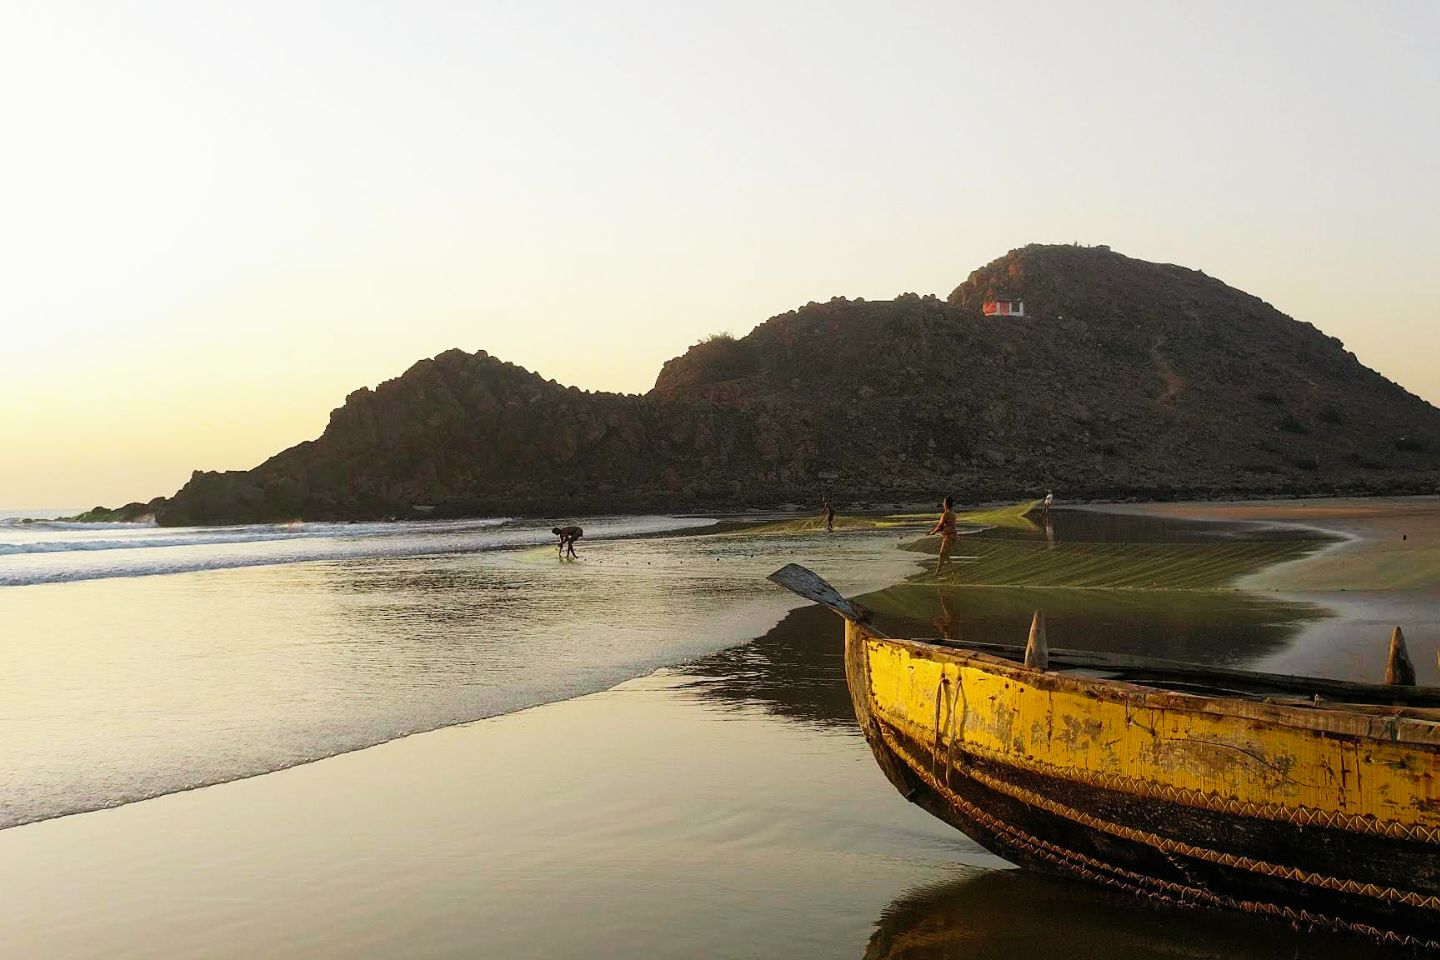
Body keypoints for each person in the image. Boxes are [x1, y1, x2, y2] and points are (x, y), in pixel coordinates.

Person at [928, 496, 957, 574]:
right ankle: (950, 570)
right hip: (950, 535)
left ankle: (940, 571)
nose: (943, 504)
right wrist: (933, 531)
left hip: (949, 536)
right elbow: (944, 526)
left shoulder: (946, 513)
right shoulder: (952, 513)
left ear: (945, 504)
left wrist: (933, 532)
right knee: (944, 554)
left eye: (944, 502)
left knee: (942, 553)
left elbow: (940, 526)